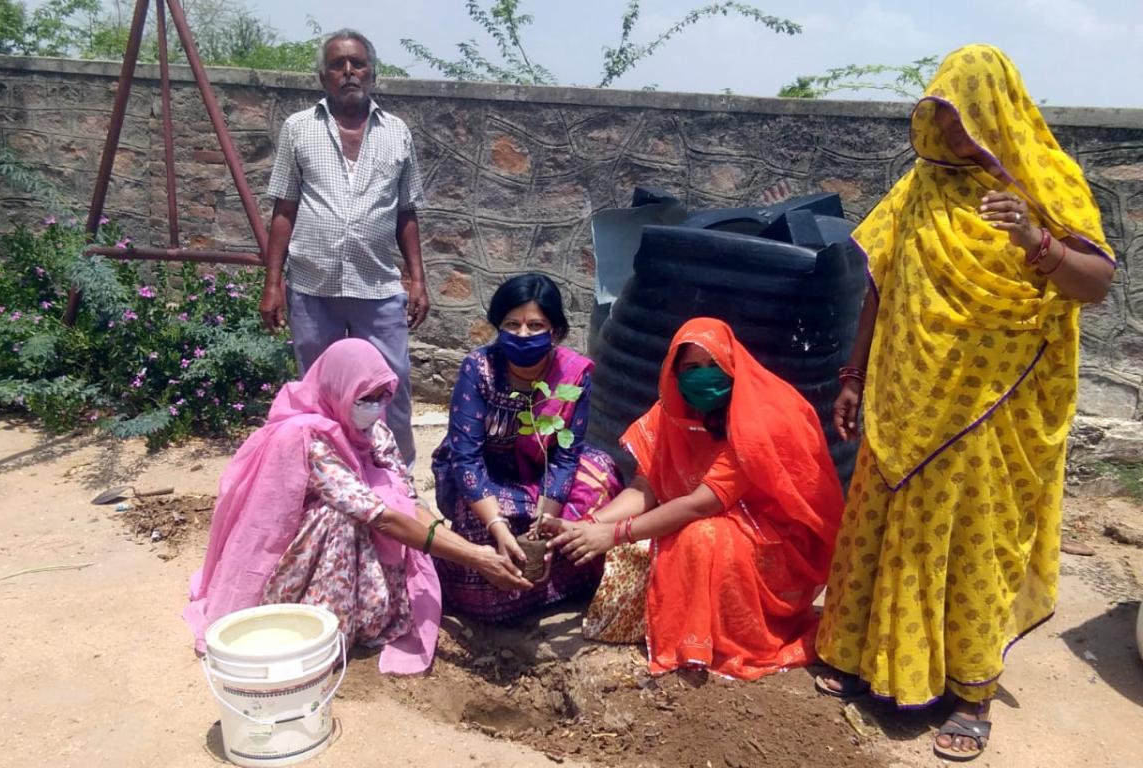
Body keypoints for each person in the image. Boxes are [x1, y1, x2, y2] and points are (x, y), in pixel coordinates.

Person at [814, 45, 1116, 761]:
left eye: (963, 116)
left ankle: (971, 691)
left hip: (993, 405)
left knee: (975, 534)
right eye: (940, 115)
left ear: (996, 111)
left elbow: (1096, 284)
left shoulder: (1045, 181)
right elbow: (881, 283)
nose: (952, 132)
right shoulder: (919, 187)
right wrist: (854, 374)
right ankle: (862, 657)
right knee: (885, 523)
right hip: (907, 392)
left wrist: (1036, 239)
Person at [183, 339, 530, 673]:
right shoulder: (307, 436)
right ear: (338, 388)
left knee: (391, 509)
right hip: (298, 551)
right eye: (366, 398)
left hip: (368, 533)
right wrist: (475, 558)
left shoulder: (375, 432)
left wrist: (477, 547)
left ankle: (367, 615)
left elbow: (407, 500)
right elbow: (380, 516)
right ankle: (321, 626)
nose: (376, 406)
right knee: (339, 518)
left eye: (382, 396)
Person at [546, 317, 845, 680]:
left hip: (778, 537)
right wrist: (588, 525)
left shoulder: (755, 420)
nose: (703, 376)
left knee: (699, 538)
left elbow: (701, 503)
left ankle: (727, 639)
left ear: (731, 365)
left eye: (712, 365)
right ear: (675, 372)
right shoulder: (672, 412)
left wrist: (615, 533)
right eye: (691, 368)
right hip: (722, 517)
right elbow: (645, 488)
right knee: (642, 547)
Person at [260, 28, 427, 466]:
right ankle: (327, 473)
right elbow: (284, 208)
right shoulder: (299, 129)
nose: (349, 72)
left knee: (392, 383)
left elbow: (407, 211)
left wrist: (418, 279)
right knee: (318, 387)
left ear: (373, 73)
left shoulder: (397, 132)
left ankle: (398, 476)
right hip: (313, 286)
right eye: (337, 65)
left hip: (377, 285)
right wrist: (272, 284)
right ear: (323, 77)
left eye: (358, 64)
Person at [431, 273, 624, 619]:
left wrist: (546, 522)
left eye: (535, 325)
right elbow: (466, 459)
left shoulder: (573, 376)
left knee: (602, 477)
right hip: (483, 479)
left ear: (555, 331)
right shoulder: (479, 369)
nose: (522, 334)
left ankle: (561, 567)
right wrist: (496, 525)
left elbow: (566, 457)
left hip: (542, 473)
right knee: (497, 527)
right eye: (512, 324)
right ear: (498, 326)